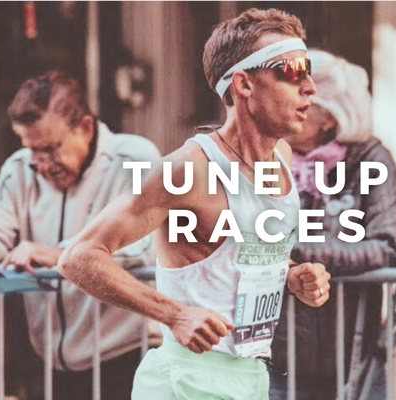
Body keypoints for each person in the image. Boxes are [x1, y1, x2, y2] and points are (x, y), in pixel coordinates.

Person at [55, 8, 332, 400]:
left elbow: (238, 251)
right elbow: (79, 257)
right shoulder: (189, 169)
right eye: (292, 71)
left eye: (309, 71)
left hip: (250, 376)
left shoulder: (281, 158)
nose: (310, 88)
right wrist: (174, 315)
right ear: (244, 84)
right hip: (187, 379)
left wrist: (289, 274)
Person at [0, 70, 161, 399]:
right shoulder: (20, 167)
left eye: (52, 149)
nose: (42, 164)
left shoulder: (134, 157)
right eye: (32, 150)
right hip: (51, 361)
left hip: (127, 354)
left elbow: (147, 242)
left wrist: (60, 255)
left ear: (85, 128)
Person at [269, 48, 396, 399]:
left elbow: (386, 247)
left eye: (301, 100)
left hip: (352, 359)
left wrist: (300, 250)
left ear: (330, 117)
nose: (284, 107)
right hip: (275, 358)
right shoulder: (264, 158)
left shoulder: (370, 161)